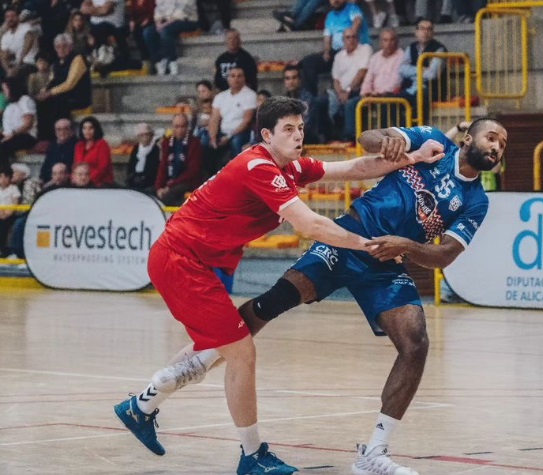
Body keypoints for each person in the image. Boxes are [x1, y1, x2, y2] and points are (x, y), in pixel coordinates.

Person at [115, 117, 507, 475]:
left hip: (387, 257)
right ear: (468, 136)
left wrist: (405, 244)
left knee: (415, 342)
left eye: (503, 145)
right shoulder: (433, 142)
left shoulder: (477, 202)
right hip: (350, 235)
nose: (497, 147)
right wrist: (386, 142)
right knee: (266, 307)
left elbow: (444, 255)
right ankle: (156, 393)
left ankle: (373, 453)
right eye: (492, 137)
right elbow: (366, 142)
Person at [343, 28, 403, 141]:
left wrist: (376, 94)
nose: (388, 43)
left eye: (391, 40)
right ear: (380, 42)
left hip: (388, 95)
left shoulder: (401, 56)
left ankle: (382, 140)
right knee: (351, 104)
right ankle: (353, 139)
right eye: (385, 40)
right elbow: (368, 78)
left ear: (396, 42)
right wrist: (365, 93)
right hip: (371, 95)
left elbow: (396, 81)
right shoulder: (376, 57)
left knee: (384, 104)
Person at [299, 0, 369, 96]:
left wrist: (348, 41)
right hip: (336, 52)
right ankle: (310, 97)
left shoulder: (352, 9)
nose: (335, 1)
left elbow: (357, 22)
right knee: (308, 61)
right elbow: (327, 36)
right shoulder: (330, 16)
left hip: (353, 50)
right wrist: (327, 51)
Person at [325, 27, 372, 139]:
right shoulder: (339, 56)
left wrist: (348, 91)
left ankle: (349, 137)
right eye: (347, 37)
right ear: (343, 40)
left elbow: (362, 72)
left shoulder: (365, 49)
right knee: (321, 102)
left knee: (349, 103)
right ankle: (326, 137)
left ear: (358, 38)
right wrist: (340, 92)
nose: (351, 40)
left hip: (358, 90)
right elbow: (336, 79)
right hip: (341, 91)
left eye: (353, 37)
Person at [35, 33, 92, 123]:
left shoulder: (78, 59)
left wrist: (50, 93)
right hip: (61, 95)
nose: (61, 49)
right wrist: (44, 91)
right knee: (41, 102)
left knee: (57, 102)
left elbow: (70, 84)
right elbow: (52, 80)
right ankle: (45, 134)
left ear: (70, 46)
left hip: (77, 97)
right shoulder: (56, 62)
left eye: (65, 46)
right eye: (58, 47)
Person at [208, 67, 256, 170]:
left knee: (236, 142)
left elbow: (247, 121)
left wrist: (229, 136)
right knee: (204, 141)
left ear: (244, 78)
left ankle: (239, 173)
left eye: (239, 76)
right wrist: (212, 137)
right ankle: (211, 177)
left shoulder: (250, 95)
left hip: (241, 132)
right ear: (228, 79)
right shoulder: (220, 96)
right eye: (233, 76)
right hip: (223, 132)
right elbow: (214, 119)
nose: (236, 79)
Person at [154, 113, 202, 205]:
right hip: (170, 181)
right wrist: (159, 187)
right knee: (150, 193)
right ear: (172, 127)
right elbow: (163, 166)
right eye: (177, 126)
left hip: (187, 182)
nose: (179, 130)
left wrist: (169, 186)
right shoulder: (167, 142)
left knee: (169, 194)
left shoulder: (194, 143)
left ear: (187, 127)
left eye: (182, 126)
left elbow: (192, 171)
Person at [143, 0, 198, 76]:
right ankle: (159, 61)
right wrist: (158, 22)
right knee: (148, 32)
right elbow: (158, 9)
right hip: (167, 22)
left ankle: (172, 61)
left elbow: (181, 13)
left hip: (187, 20)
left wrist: (164, 25)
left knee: (165, 31)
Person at [0, 76, 37, 161]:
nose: (4, 92)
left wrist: (12, 134)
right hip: (9, 135)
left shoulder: (25, 100)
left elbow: (28, 124)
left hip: (25, 136)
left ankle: (5, 172)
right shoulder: (10, 105)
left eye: (5, 89)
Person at [73, 116, 114, 187]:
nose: (87, 131)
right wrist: (75, 178)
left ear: (96, 129)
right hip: (81, 181)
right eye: (84, 128)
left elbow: (102, 168)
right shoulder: (78, 145)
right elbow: (75, 165)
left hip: (100, 182)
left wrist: (87, 179)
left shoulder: (102, 144)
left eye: (90, 128)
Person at [39, 118, 76, 183]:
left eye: (66, 129)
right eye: (59, 129)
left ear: (72, 131)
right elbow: (45, 167)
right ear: (55, 132)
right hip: (51, 180)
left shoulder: (77, 145)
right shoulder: (52, 146)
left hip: (67, 181)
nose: (62, 132)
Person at [126, 122, 160, 191]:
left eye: (147, 135)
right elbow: (131, 165)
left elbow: (155, 169)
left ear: (151, 136)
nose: (145, 138)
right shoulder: (136, 149)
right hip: (135, 178)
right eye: (142, 135)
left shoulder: (155, 149)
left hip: (149, 181)